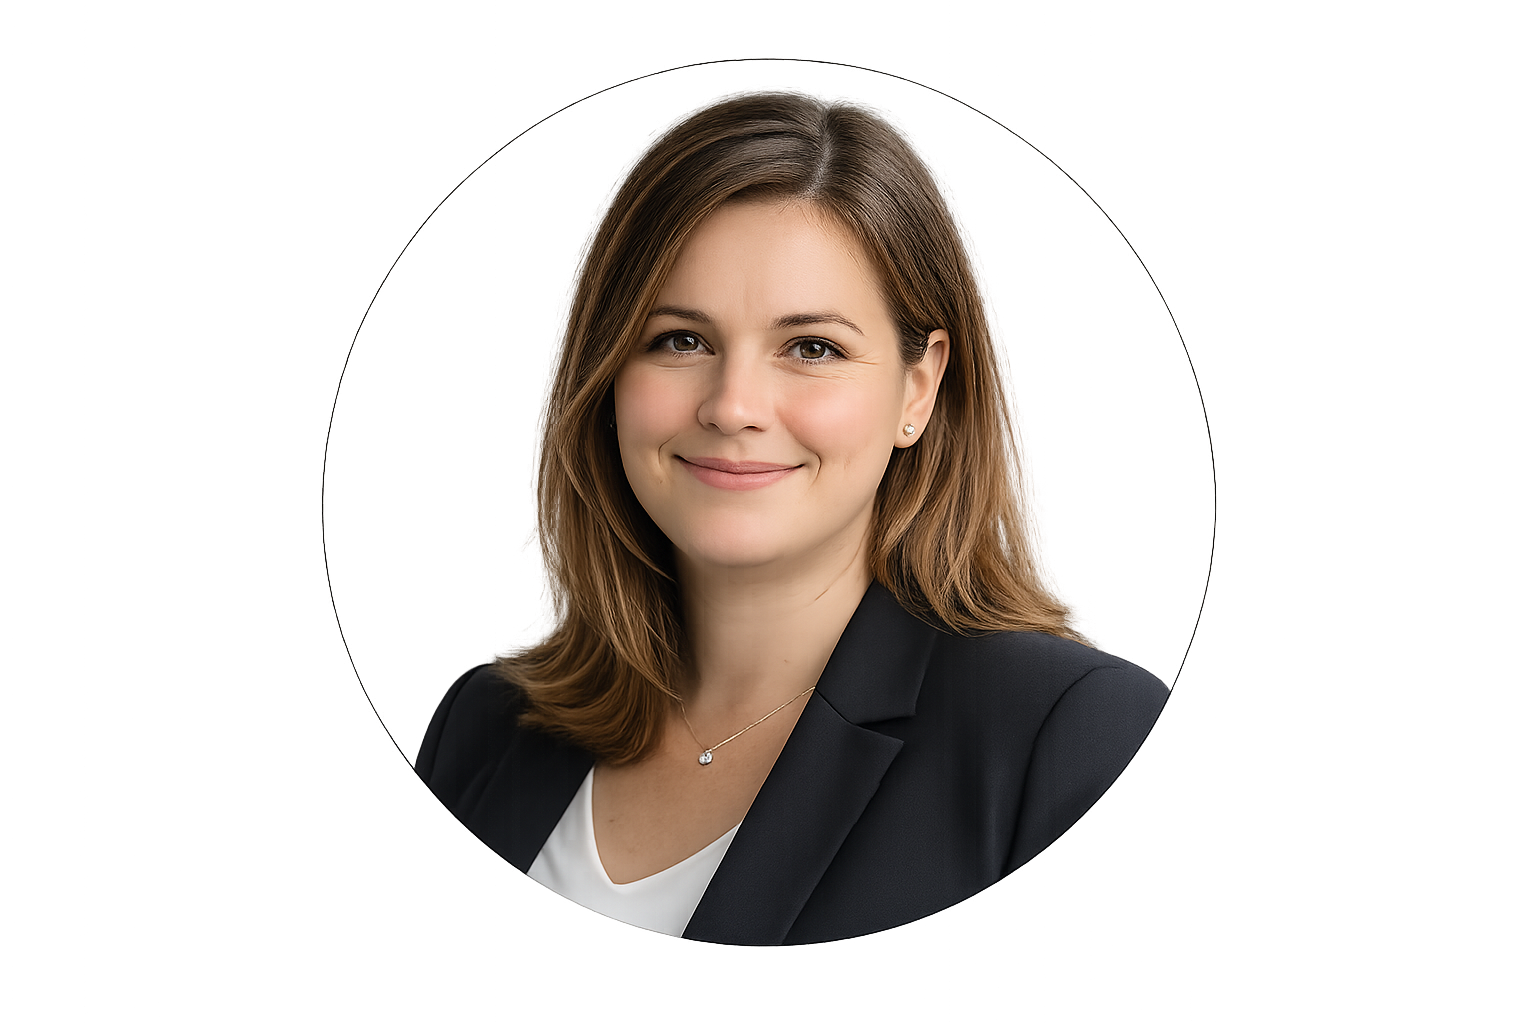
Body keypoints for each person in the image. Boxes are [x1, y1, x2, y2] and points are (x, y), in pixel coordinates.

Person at [416, 93, 1168, 944]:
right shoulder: (484, 728)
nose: (733, 406)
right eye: (680, 340)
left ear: (918, 390)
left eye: (812, 347)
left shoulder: (1071, 738)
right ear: (611, 374)